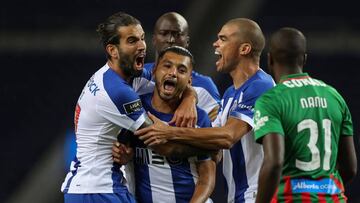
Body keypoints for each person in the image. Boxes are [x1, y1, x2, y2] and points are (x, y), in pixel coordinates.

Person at [60, 12, 197, 203]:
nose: (141, 46)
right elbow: (163, 145)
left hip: (91, 187)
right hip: (98, 190)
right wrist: (208, 149)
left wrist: (191, 96)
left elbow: (170, 75)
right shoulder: (117, 91)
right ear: (113, 50)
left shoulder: (125, 75)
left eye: (142, 38)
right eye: (132, 41)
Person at [135, 18, 275, 203]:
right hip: (239, 194)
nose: (216, 44)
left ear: (244, 49)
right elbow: (212, 144)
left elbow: (227, 137)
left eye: (223, 39)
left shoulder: (261, 86)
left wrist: (169, 132)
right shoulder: (230, 93)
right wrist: (189, 96)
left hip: (258, 194)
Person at [253, 27, 357, 203]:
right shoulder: (334, 96)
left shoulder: (271, 100)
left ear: (270, 60)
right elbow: (350, 168)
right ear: (304, 58)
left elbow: (274, 163)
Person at [132, 46, 215, 203]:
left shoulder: (199, 118)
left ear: (189, 81)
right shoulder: (137, 109)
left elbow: (207, 178)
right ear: (155, 71)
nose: (173, 73)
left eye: (182, 70)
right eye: (167, 66)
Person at [145, 12, 220, 121]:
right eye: (164, 33)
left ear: (187, 41)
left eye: (177, 34)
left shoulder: (204, 87)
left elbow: (216, 133)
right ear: (154, 39)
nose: (170, 40)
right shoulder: (138, 76)